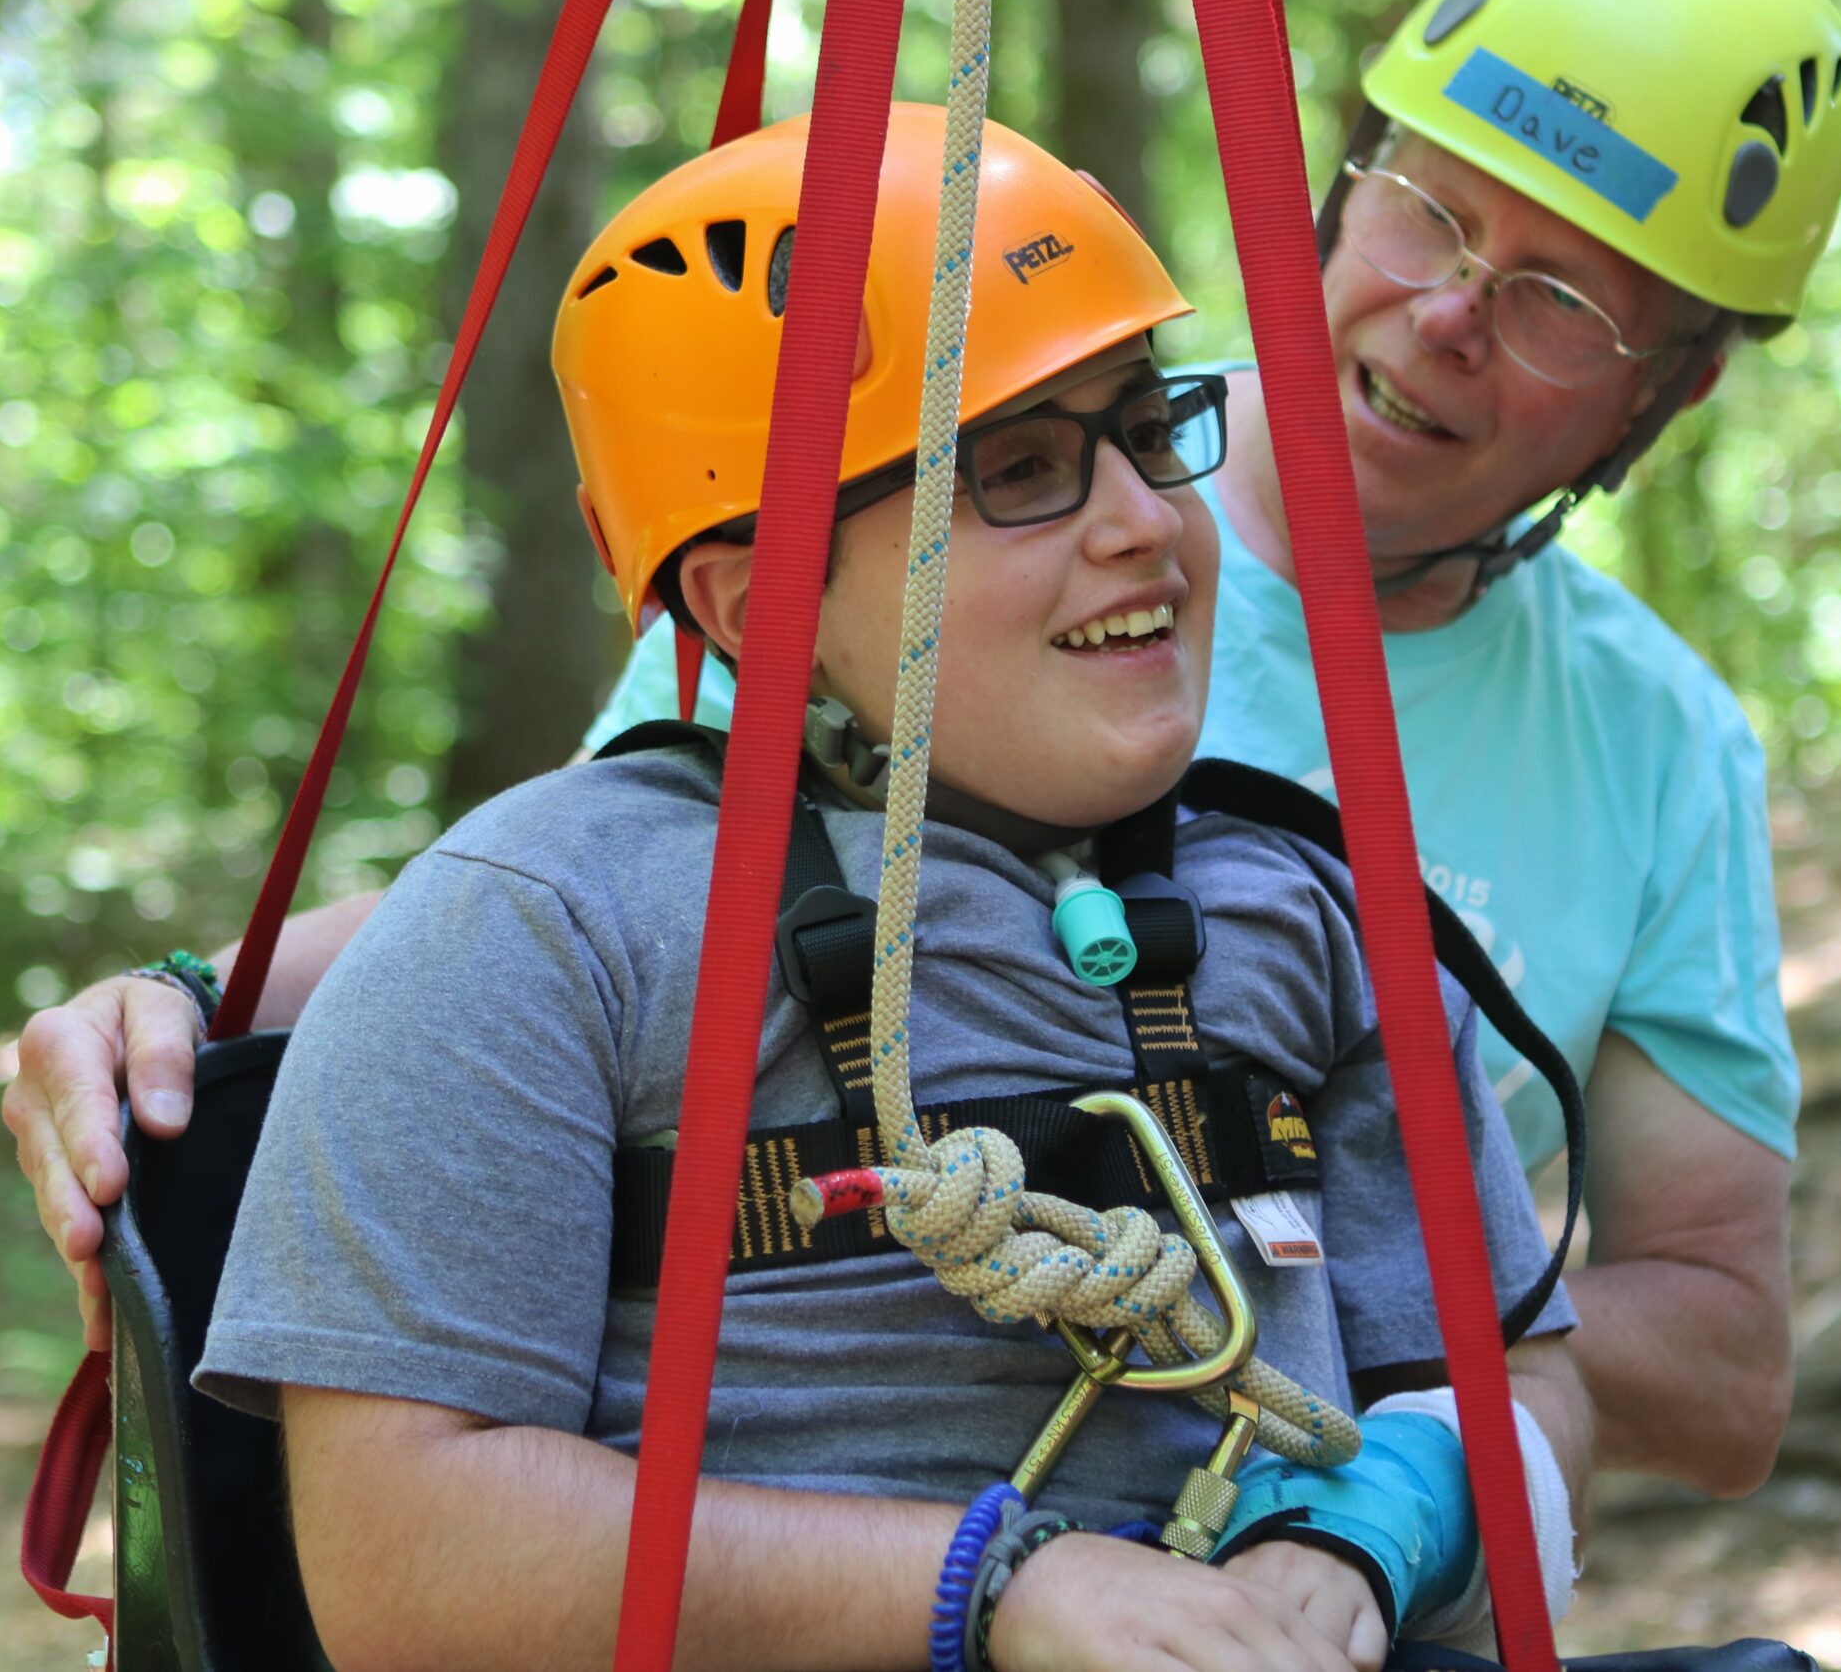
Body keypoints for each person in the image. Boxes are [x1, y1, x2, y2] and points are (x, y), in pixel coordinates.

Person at [5, 0, 1841, 1498]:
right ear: (1345, 180)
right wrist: (183, 1005)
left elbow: (1714, 1351)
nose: (1451, 310)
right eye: (1434, 209)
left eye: (1558, 298)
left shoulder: (1657, 746)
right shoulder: (933, 486)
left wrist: (1292, 1272)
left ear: (1672, 391)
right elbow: (604, 896)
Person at [192, 106, 1587, 1672]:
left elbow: (1521, 1387)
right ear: (755, 602)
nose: (1144, 521)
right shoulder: (541, 924)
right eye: (1020, 471)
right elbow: (405, 1563)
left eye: (1144, 430)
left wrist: (1370, 1527)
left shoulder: (1315, 912)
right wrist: (997, 1590)